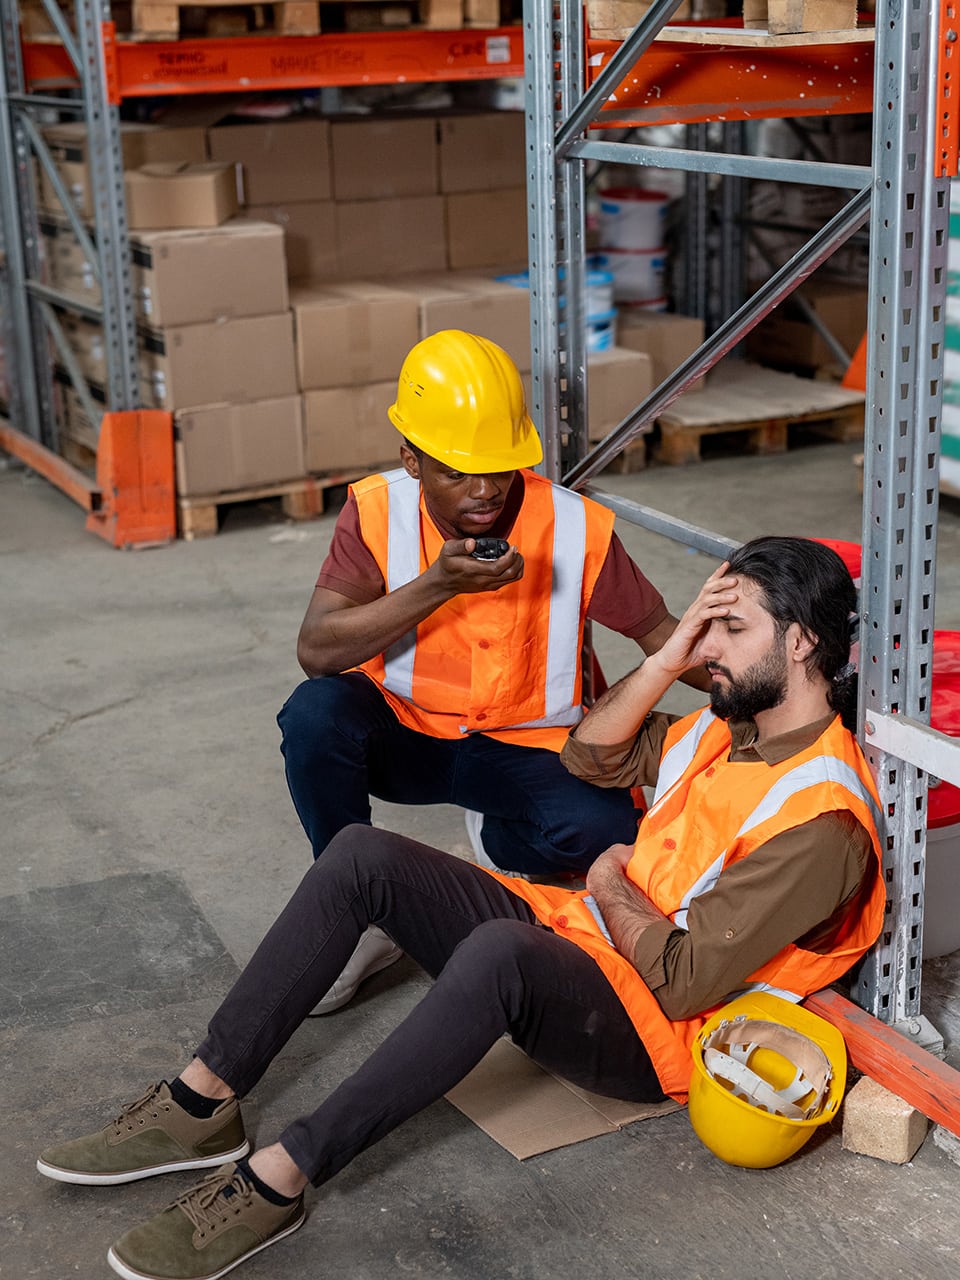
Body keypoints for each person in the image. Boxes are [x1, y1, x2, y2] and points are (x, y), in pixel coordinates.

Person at [37, 536, 886, 1280]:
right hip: (589, 942)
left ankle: (280, 1177)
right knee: (361, 857)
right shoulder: (726, 727)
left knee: (497, 954)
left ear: (803, 641)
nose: (708, 651)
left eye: (729, 631)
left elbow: (682, 984)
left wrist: (608, 885)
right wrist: (668, 658)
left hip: (654, 1036)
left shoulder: (822, 819)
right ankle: (201, 1100)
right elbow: (594, 757)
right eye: (706, 629)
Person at [278, 327, 709, 1013]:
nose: (483, 490)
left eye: (499, 467)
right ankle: (357, 912)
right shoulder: (375, 510)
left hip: (523, 747)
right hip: (405, 738)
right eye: (456, 471)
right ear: (411, 460)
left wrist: (776, 688)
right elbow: (316, 649)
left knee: (609, 836)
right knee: (315, 715)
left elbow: (665, 638)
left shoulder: (574, 527)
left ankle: (497, 835)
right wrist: (435, 586)